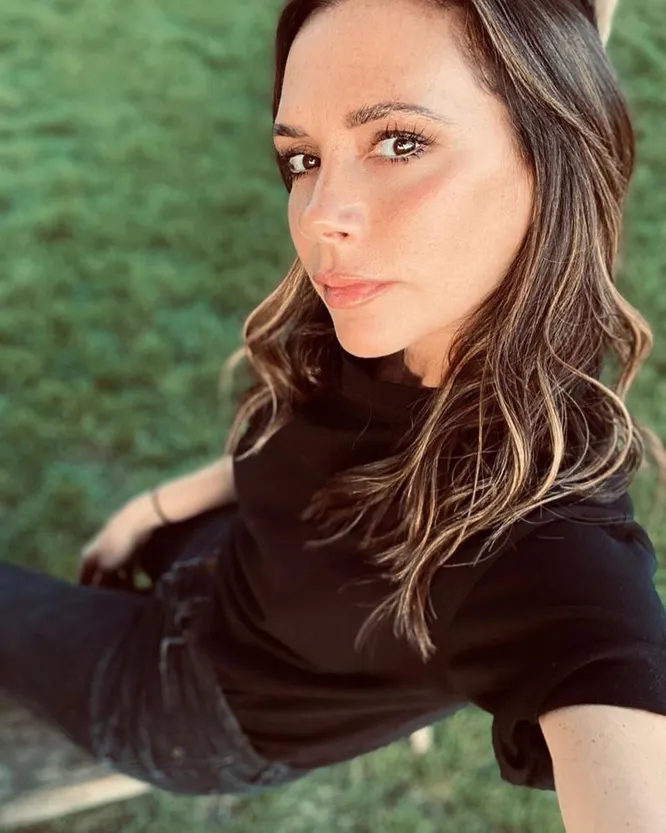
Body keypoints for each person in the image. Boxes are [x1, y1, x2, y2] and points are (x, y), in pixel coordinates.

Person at [3, 0, 666, 827]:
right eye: (302, 157)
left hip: (185, 707)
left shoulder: (544, 544)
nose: (319, 214)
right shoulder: (412, 308)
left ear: (558, 156)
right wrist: (159, 507)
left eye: (401, 142)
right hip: (224, 566)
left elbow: (620, 715)